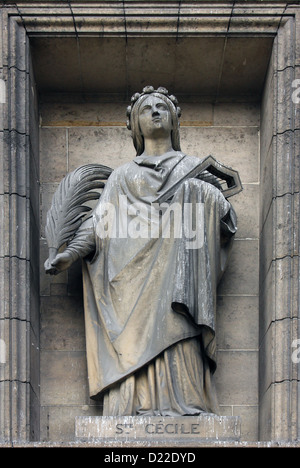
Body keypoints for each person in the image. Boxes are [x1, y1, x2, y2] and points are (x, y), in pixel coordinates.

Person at [45, 86, 237, 416]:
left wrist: (206, 196)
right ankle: (134, 404)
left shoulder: (193, 169)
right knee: (133, 339)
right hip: (131, 282)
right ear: (136, 125)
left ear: (175, 120)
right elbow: (100, 223)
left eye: (162, 106)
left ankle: (186, 402)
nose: (155, 112)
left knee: (180, 329)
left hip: (180, 276)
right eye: (146, 109)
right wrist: (72, 252)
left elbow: (224, 218)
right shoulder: (123, 177)